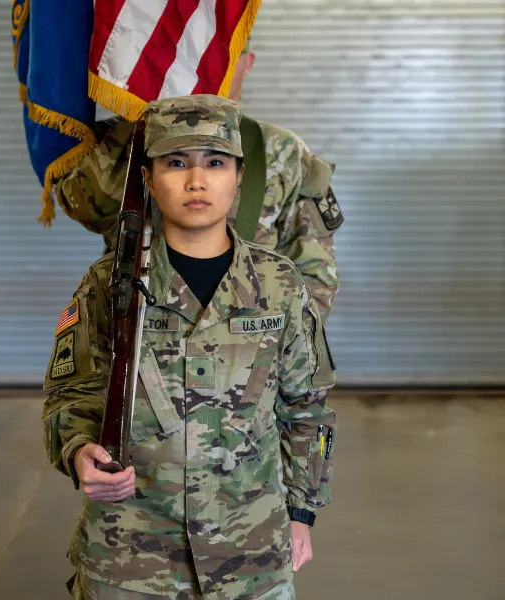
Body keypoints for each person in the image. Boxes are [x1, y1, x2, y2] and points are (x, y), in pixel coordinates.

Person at [42, 95, 337, 600]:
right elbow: (69, 397)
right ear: (149, 179)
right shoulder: (109, 284)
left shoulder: (280, 285)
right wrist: (78, 452)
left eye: (215, 163)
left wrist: (302, 513)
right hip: (132, 556)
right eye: (176, 163)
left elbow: (306, 408)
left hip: (252, 554)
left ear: (239, 178)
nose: (196, 181)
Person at [56, 39, 343, 320]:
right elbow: (87, 210)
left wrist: (278, 351)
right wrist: (139, 118)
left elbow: (315, 275)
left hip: (252, 348)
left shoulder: (282, 150)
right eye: (195, 51)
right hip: (143, 340)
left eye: (222, 52)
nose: (206, 65)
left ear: (247, 63)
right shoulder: (127, 138)